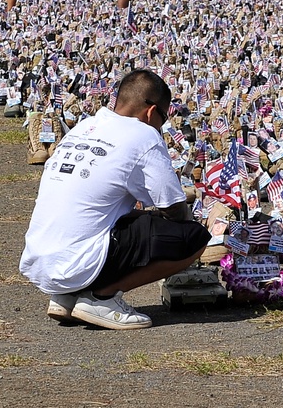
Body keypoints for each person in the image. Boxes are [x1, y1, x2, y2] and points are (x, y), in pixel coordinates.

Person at [19, 69, 208, 330]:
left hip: (42, 259)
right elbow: (173, 209)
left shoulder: (85, 126)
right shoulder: (144, 136)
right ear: (152, 112)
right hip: (80, 260)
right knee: (192, 236)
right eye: (164, 118)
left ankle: (68, 296)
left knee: (116, 217)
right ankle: (101, 298)